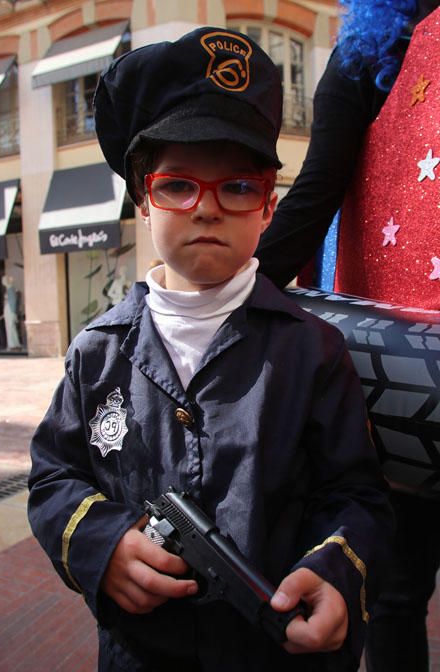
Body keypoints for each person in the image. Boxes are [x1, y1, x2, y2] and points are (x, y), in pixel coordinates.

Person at [27, 27, 393, 672]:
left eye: (238, 187)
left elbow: (356, 493)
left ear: (267, 206)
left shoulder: (314, 352)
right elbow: (56, 474)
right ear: (144, 199)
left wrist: (335, 569)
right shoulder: (96, 352)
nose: (207, 209)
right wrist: (99, 543)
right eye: (177, 185)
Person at [255, 2, 440, 670]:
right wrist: (226, 291)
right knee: (394, 593)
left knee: (395, 593)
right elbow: (314, 196)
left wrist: (225, 293)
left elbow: (315, 195)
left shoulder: (368, 45)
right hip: (401, 378)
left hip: (401, 381)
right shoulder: (373, 44)